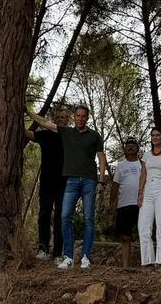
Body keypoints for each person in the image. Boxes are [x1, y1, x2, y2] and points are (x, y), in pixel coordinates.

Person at [28, 103, 108, 269]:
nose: (80, 119)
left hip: (87, 180)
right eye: (78, 116)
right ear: (75, 117)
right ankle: (68, 257)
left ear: (87, 118)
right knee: (64, 217)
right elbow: (45, 123)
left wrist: (101, 180)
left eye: (83, 116)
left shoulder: (93, 135)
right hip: (69, 181)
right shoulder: (66, 133)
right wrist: (27, 111)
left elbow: (101, 157)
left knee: (88, 218)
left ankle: (85, 256)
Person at [24, 104, 69, 259]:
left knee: (60, 217)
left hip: (63, 183)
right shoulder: (45, 135)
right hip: (46, 183)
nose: (59, 120)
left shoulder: (68, 135)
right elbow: (29, 135)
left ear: (67, 121)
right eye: (57, 117)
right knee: (44, 214)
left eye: (62, 118)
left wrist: (29, 112)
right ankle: (43, 248)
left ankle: (58, 252)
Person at [136, 126, 161, 268]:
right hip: (148, 190)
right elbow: (143, 175)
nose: (155, 137)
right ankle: (147, 261)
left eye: (158, 135)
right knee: (143, 226)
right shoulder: (146, 155)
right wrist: (140, 193)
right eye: (153, 135)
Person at [109, 136, 142, 269]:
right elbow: (115, 186)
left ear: (138, 148)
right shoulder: (120, 166)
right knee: (125, 237)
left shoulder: (143, 164)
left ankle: (146, 265)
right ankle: (125, 267)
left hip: (141, 204)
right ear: (124, 148)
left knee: (143, 234)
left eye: (133, 144)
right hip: (124, 205)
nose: (130, 146)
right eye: (128, 144)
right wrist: (112, 203)